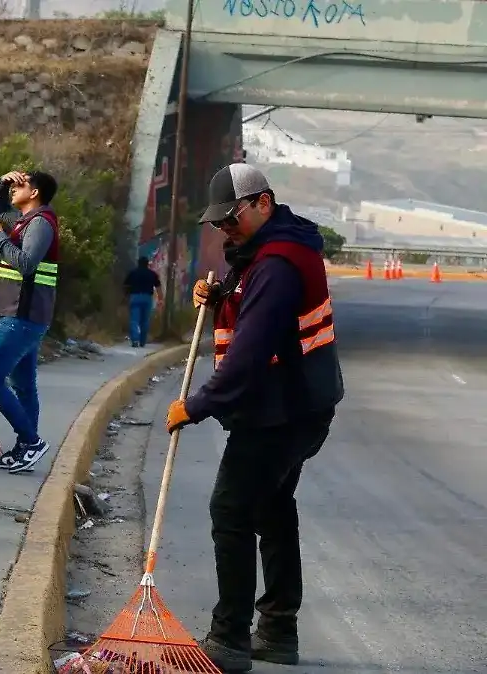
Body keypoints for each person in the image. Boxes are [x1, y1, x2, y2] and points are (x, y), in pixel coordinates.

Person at [165, 163, 344, 673]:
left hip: (279, 413)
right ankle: (277, 632)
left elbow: (250, 353)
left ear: (263, 202)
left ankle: (229, 639)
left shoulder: (277, 263)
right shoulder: (270, 251)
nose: (225, 229)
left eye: (231, 218)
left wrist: (196, 406)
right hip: (298, 406)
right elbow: (255, 305)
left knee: (232, 511)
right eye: (218, 223)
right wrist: (222, 295)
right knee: (272, 508)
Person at [0, 169, 61, 474]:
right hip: (25, 315)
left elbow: (26, 265)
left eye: (20, 185)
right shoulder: (26, 219)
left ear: (35, 192)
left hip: (22, 316)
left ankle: (31, 441)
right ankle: (25, 450)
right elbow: (0, 210)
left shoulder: (40, 224)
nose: (14, 189)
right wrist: (0, 182)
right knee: (24, 385)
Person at [122, 256, 162, 348]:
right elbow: (158, 287)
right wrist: (161, 299)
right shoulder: (152, 274)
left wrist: (125, 297)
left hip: (135, 297)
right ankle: (142, 341)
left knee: (134, 320)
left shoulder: (133, 273)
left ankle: (135, 340)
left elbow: (125, 286)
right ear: (147, 264)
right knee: (145, 320)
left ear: (138, 263)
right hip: (147, 298)